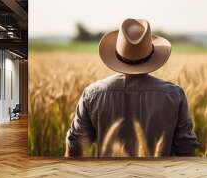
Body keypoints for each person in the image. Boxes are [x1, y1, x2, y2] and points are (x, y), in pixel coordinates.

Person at [65, 18, 198, 157]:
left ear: (117, 54)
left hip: (107, 177)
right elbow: (186, 149)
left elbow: (74, 149)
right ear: (152, 56)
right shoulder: (174, 95)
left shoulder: (92, 94)